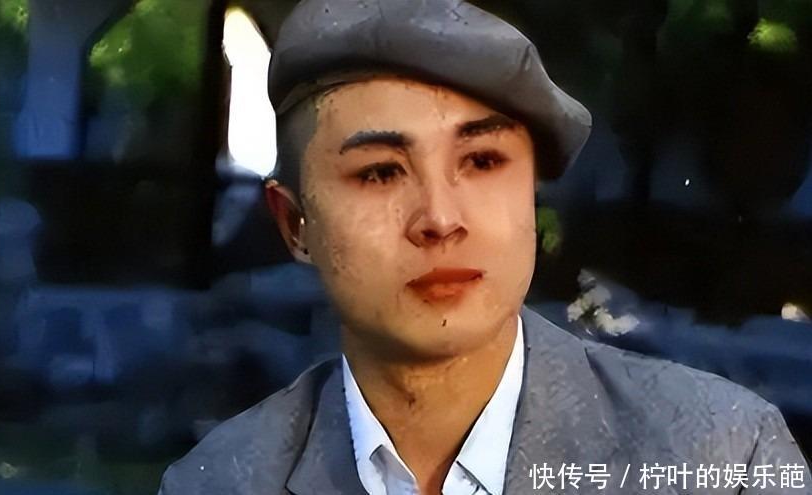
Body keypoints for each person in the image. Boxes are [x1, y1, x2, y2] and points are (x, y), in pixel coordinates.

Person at [159, 1, 811, 493]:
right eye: (380, 172)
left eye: (482, 161)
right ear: (295, 224)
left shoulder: (728, 455)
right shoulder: (222, 479)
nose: (440, 219)